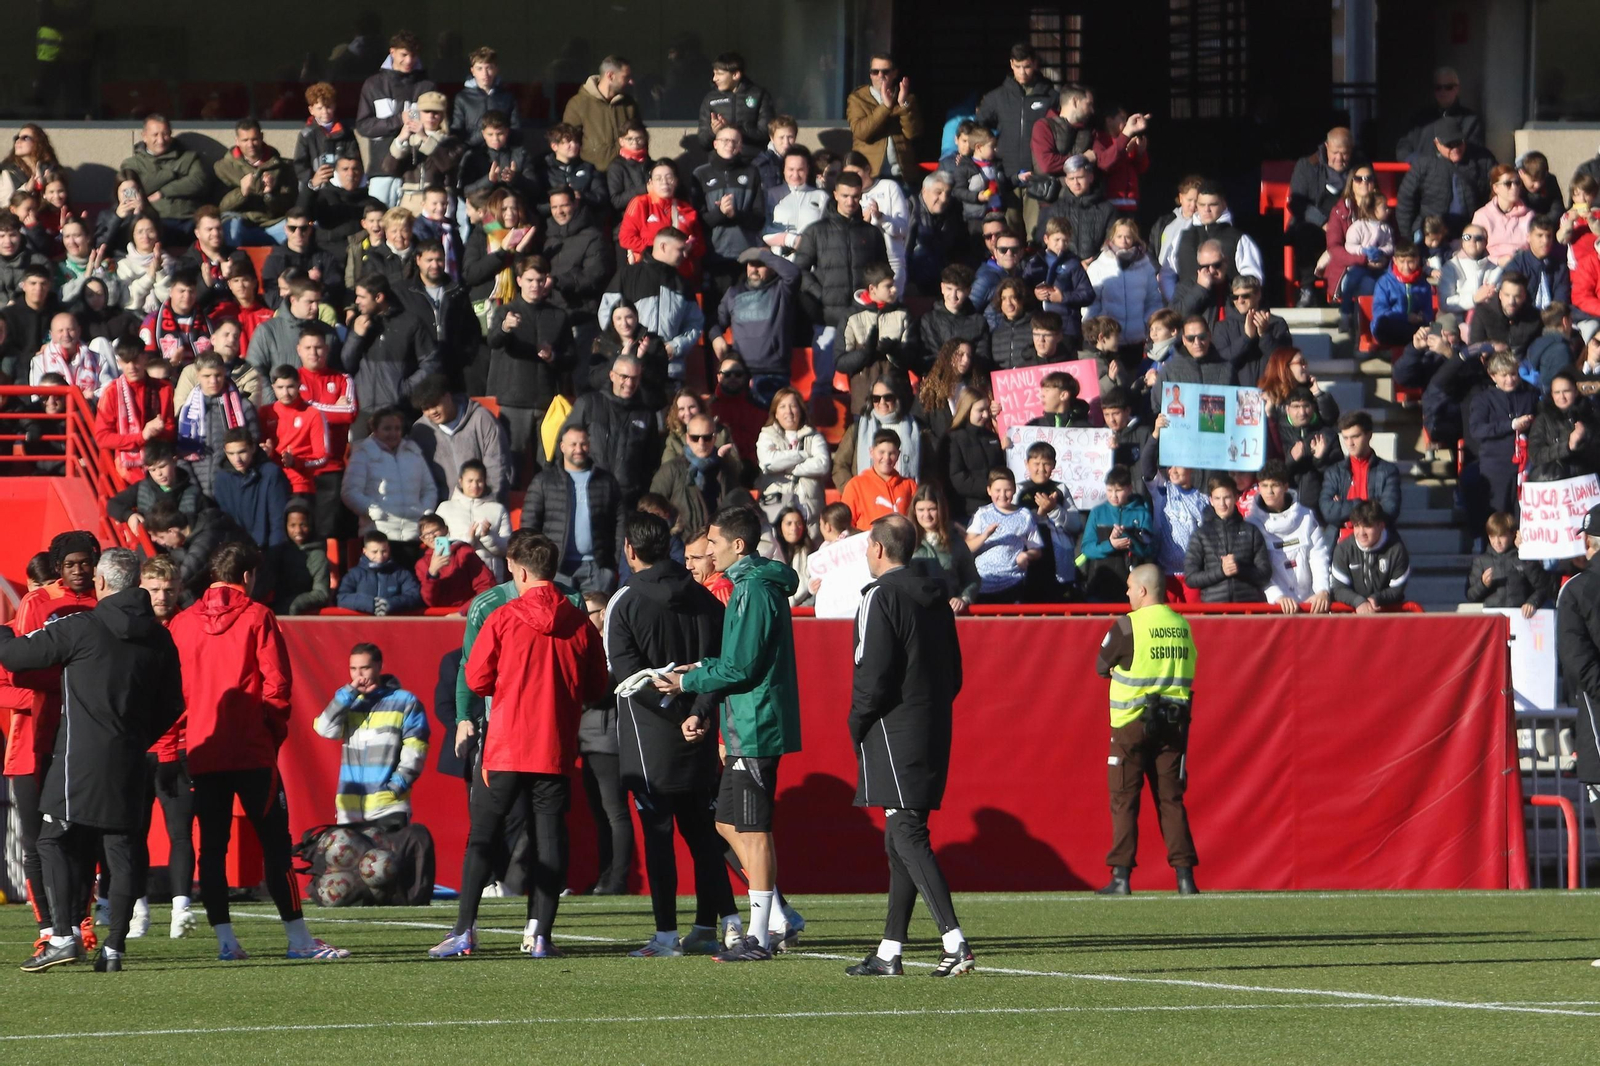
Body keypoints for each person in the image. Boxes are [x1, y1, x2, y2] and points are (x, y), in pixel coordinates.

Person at [432, 532, 608, 960]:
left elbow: (475, 680)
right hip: (554, 745)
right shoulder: (580, 621)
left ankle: (464, 931)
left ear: (522, 570)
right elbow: (597, 686)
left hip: (507, 743)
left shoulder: (503, 616)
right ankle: (539, 933)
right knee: (550, 838)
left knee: (483, 837)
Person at [6, 548, 182, 974]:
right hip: (130, 758)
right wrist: (137, 737)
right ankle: (115, 947)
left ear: (101, 583)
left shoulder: (83, 626)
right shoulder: (160, 636)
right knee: (121, 850)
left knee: (53, 841)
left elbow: (14, 657)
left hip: (79, 760)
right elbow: (173, 704)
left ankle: (64, 936)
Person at [170, 541, 349, 961]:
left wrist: (187, 733)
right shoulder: (257, 616)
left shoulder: (181, 623)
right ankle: (299, 939)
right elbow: (277, 686)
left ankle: (227, 942)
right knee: (275, 843)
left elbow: (171, 691)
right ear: (248, 576)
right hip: (251, 750)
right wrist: (269, 733)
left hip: (203, 747)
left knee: (211, 848)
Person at [655, 507, 802, 961]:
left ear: (738, 546)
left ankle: (759, 933)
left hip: (756, 722)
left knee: (752, 830)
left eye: (714, 544)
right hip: (746, 720)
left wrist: (689, 681)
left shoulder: (751, 590)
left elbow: (742, 666)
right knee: (725, 824)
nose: (708, 552)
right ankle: (774, 916)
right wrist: (701, 672)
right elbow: (737, 661)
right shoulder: (749, 587)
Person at [843, 514, 973, 977]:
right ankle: (889, 950)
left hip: (893, 728)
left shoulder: (881, 596)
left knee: (907, 833)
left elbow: (871, 674)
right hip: (933, 724)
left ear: (878, 548)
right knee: (899, 838)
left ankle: (954, 941)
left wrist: (858, 722)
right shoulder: (937, 597)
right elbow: (954, 673)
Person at [608, 512, 742, 954]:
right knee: (702, 833)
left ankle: (667, 933)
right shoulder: (706, 600)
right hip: (699, 731)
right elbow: (720, 667)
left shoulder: (624, 600)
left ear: (630, 549)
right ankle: (724, 924)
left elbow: (627, 678)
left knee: (660, 833)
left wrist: (674, 711)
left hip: (652, 736)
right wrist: (699, 714)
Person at [1, 533, 102, 960]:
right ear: (58, 566)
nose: (80, 570)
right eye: (72, 563)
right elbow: (16, 675)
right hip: (34, 742)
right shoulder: (37, 604)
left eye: (87, 563)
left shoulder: (107, 605)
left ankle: (79, 922)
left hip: (88, 741)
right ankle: (49, 928)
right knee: (37, 841)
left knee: (83, 837)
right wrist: (56, 699)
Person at [1094, 564, 1200, 896]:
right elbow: (1192, 666)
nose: (1126, 593)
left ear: (1142, 590)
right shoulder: (1181, 624)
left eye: (1129, 588)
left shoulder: (1128, 625)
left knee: (1124, 799)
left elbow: (1101, 665)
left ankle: (1121, 877)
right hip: (1173, 723)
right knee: (1171, 799)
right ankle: (1185, 879)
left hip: (1131, 723)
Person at [314, 643, 430, 826]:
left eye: (365, 668)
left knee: (388, 856)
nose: (358, 676)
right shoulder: (349, 702)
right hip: (349, 810)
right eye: (353, 669)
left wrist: (395, 788)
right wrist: (347, 694)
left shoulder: (405, 701)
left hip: (388, 807)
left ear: (379, 666)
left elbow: (416, 750)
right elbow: (324, 729)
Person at [522, 425, 625, 594]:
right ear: (562, 447)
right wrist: (538, 564)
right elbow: (529, 526)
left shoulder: (606, 481)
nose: (579, 449)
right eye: (573, 444)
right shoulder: (543, 481)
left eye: (583, 444)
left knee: (595, 621)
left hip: (597, 570)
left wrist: (612, 565)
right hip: (556, 569)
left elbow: (620, 522)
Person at [599, 227, 704, 391]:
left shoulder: (683, 284)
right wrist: (625, 348)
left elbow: (695, 324)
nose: (685, 255)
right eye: (680, 250)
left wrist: (675, 346)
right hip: (631, 373)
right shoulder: (627, 275)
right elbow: (606, 314)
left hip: (670, 373)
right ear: (663, 246)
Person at [561, 355, 663, 503]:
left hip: (628, 500)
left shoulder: (647, 414)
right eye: (624, 377)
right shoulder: (588, 404)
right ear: (612, 376)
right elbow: (564, 443)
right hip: (588, 493)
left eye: (635, 378)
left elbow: (651, 461)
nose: (629, 383)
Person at [355, 31, 437, 207]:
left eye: (413, 55)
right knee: (380, 221)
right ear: (392, 52)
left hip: (416, 173)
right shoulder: (373, 84)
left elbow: (438, 125)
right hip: (382, 169)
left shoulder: (427, 86)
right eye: (404, 55)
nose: (409, 61)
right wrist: (398, 120)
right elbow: (363, 126)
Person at [343, 272, 437, 424]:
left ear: (379, 297)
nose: (356, 301)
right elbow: (346, 365)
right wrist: (356, 337)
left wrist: (405, 389)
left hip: (397, 413)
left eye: (361, 297)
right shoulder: (357, 323)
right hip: (362, 412)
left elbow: (430, 362)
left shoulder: (410, 323)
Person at [1244, 460, 1332, 613]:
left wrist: (1322, 591)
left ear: (1285, 486)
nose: (1269, 492)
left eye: (1274, 485)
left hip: (1310, 604)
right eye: (1264, 486)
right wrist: (1278, 596)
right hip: (1274, 608)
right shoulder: (1251, 524)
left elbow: (1319, 557)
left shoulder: (1306, 517)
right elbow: (1257, 569)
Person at [409, 374, 510, 500]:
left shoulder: (482, 419)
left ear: (447, 396)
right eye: (426, 408)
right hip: (443, 512)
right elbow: (420, 479)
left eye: (435, 405)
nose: (432, 412)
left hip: (485, 506)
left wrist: (488, 503)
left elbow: (498, 465)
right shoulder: (420, 431)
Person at [1468, 351, 1539, 522]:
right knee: (1498, 514)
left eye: (1513, 374)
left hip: (1527, 465)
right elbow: (1478, 430)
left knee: (1525, 514)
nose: (1510, 379)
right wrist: (1511, 425)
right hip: (1496, 466)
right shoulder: (1483, 400)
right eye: (1504, 375)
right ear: (1493, 376)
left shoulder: (1531, 395)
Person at [1395, 117, 1493, 240]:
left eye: (1459, 142)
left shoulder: (1482, 159)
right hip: (1431, 232)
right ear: (1437, 143)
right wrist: (1407, 237)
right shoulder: (1424, 164)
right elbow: (1405, 201)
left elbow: (1496, 189)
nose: (1455, 149)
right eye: (1449, 145)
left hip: (1469, 230)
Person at [1286, 128, 1355, 303]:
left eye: (1344, 154)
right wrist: (1325, 224)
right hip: (1315, 225)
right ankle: (1307, 289)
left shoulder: (1360, 167)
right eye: (1335, 153)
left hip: (1351, 225)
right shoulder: (1307, 165)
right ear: (1326, 147)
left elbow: (1370, 199)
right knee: (1304, 234)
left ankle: (1350, 292)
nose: (1339, 159)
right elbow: (1297, 203)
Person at [94, 336, 176, 482]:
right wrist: (142, 436)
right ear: (119, 362)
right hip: (124, 465)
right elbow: (102, 438)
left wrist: (158, 431)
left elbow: (170, 430)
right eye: (126, 362)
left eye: (136, 360)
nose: (131, 367)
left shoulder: (164, 388)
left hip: (159, 460)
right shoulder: (111, 392)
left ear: (145, 358)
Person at [652, 415, 744, 542]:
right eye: (695, 438)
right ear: (687, 438)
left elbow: (736, 507)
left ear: (714, 438)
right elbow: (653, 508)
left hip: (718, 544)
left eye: (707, 438)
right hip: (682, 545)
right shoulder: (671, 470)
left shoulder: (726, 468)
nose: (701, 443)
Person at [1182, 474, 1270, 603]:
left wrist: (1239, 568)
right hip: (1215, 612)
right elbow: (1190, 578)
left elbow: (1265, 574)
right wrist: (1221, 571)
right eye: (1217, 498)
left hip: (1248, 611)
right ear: (1211, 500)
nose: (1222, 504)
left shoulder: (1251, 531)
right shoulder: (1200, 535)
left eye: (1227, 497)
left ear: (1235, 498)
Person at [963, 467, 1044, 604]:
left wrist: (1026, 555)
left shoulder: (1024, 515)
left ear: (1014, 490)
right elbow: (967, 548)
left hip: (1012, 581)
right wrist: (985, 535)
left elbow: (1036, 549)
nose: (1002, 495)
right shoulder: (982, 514)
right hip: (983, 582)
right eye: (997, 490)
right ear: (989, 490)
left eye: (1007, 490)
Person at [119, 114, 209, 233]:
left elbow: (198, 182)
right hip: (155, 223)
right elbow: (137, 187)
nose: (161, 140)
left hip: (188, 219)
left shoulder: (189, 158)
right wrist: (171, 174)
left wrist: (162, 192)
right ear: (144, 136)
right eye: (155, 135)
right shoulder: (131, 164)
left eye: (165, 134)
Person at [755, 387, 831, 526]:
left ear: (801, 410)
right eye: (782, 406)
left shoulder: (814, 436)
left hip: (810, 514)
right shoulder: (766, 435)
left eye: (793, 406)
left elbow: (822, 464)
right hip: (775, 510)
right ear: (775, 413)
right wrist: (803, 455)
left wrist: (785, 467)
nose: (788, 412)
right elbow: (768, 463)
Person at [215, 118, 297, 246]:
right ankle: (233, 264)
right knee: (231, 228)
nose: (250, 144)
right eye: (245, 140)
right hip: (242, 221)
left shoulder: (281, 166)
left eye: (254, 139)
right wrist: (242, 193)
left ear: (262, 137)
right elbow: (221, 208)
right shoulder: (223, 167)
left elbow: (288, 205)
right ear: (237, 141)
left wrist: (270, 194)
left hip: (272, 223)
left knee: (296, 229)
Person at [1080, 465, 1156, 602]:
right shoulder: (1097, 512)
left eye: (1118, 490)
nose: (1113, 496)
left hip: (1131, 587)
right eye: (1109, 490)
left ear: (1129, 488)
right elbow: (1087, 549)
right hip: (1100, 584)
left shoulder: (1141, 513)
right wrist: (1110, 544)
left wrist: (1131, 540)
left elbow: (1150, 550)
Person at [1320, 410, 1402, 531]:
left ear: (1369, 435)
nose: (1350, 443)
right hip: (1341, 540)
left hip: (1376, 538)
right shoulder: (1334, 472)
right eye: (1345, 438)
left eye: (1355, 437)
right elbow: (1328, 511)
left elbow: (1390, 510)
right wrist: (1368, 504)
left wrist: (1344, 506)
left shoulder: (1388, 471)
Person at [211, 428, 291, 550]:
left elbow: (278, 522)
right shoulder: (221, 478)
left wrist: (275, 554)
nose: (237, 459)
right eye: (231, 454)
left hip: (268, 550)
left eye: (242, 452)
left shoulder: (271, 474)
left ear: (253, 448)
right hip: (237, 552)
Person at [846, 53, 920, 180]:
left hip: (901, 173)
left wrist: (903, 104)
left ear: (895, 73)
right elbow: (861, 132)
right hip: (870, 174)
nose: (880, 76)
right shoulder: (857, 98)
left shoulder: (907, 98)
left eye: (885, 71)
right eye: (875, 71)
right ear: (870, 74)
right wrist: (885, 107)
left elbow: (913, 133)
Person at [562, 56, 639, 174]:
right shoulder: (578, 103)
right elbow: (569, 141)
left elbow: (640, 136)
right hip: (592, 175)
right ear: (610, 76)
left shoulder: (629, 104)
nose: (631, 81)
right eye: (626, 77)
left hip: (626, 173)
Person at [1330, 501, 1411, 612]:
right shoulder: (1343, 549)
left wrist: (1377, 598)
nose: (1361, 532)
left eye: (1367, 526)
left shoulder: (1396, 550)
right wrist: (1359, 602)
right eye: (1357, 526)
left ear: (1381, 525)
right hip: (1351, 615)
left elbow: (1397, 588)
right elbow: (1339, 588)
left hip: (1387, 615)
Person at [1465, 511, 1551, 616]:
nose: (1497, 542)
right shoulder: (1481, 561)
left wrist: (1532, 602)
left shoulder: (1524, 558)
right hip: (1493, 619)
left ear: (1513, 534)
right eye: (1492, 536)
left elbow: (1544, 587)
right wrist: (1483, 584)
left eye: (1501, 536)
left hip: (1520, 617)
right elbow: (1471, 596)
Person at [438, 459, 512, 580]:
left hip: (490, 576)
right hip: (457, 575)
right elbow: (439, 546)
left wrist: (487, 536)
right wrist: (467, 540)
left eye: (479, 481)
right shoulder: (445, 508)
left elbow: (508, 548)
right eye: (470, 481)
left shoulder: (497, 509)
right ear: (460, 481)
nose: (475, 486)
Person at [1395, 67, 1484, 160]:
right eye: (1438, 88)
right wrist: (1416, 162)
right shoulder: (1420, 119)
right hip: (1423, 172)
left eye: (1448, 87)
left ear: (1457, 89)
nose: (1443, 91)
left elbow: (1474, 152)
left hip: (1454, 173)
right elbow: (1403, 147)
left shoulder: (1470, 120)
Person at [1528, 370, 1600, 481]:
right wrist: (1567, 446)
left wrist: (1584, 439)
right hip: (1557, 483)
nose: (1562, 397)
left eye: (1566, 391)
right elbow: (1535, 455)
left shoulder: (1591, 415)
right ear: (1551, 394)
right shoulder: (1543, 420)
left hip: (1587, 484)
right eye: (1557, 392)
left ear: (1576, 392)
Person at [417, 511, 496, 610]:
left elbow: (486, 585)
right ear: (422, 539)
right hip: (439, 616)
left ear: (445, 530)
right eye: (426, 535)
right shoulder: (422, 564)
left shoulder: (464, 552)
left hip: (467, 613)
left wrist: (463, 611)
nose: (432, 537)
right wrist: (432, 574)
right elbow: (430, 601)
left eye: (435, 531)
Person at [264, 503, 331, 615]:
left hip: (304, 613)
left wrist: (295, 603)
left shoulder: (318, 555)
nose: (298, 530)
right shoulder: (277, 552)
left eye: (303, 524)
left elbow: (321, 593)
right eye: (292, 525)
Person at [843, 428, 917, 530]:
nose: (886, 458)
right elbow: (846, 524)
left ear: (898, 455)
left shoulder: (909, 485)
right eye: (881, 452)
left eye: (891, 453)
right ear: (871, 452)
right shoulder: (856, 485)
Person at [1471, 165, 1533, 266]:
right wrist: (1498, 260)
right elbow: (1473, 248)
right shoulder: (1482, 216)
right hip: (1491, 267)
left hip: (1523, 267)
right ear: (1495, 188)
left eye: (1517, 183)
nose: (1514, 187)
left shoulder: (1529, 215)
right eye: (1508, 184)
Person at [1473, 271, 1541, 355]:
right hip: (1492, 363)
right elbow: (1473, 347)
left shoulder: (1534, 317)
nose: (1511, 301)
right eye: (1507, 295)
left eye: (1517, 296)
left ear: (1524, 296)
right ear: (1500, 294)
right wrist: (1491, 347)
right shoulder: (1483, 311)